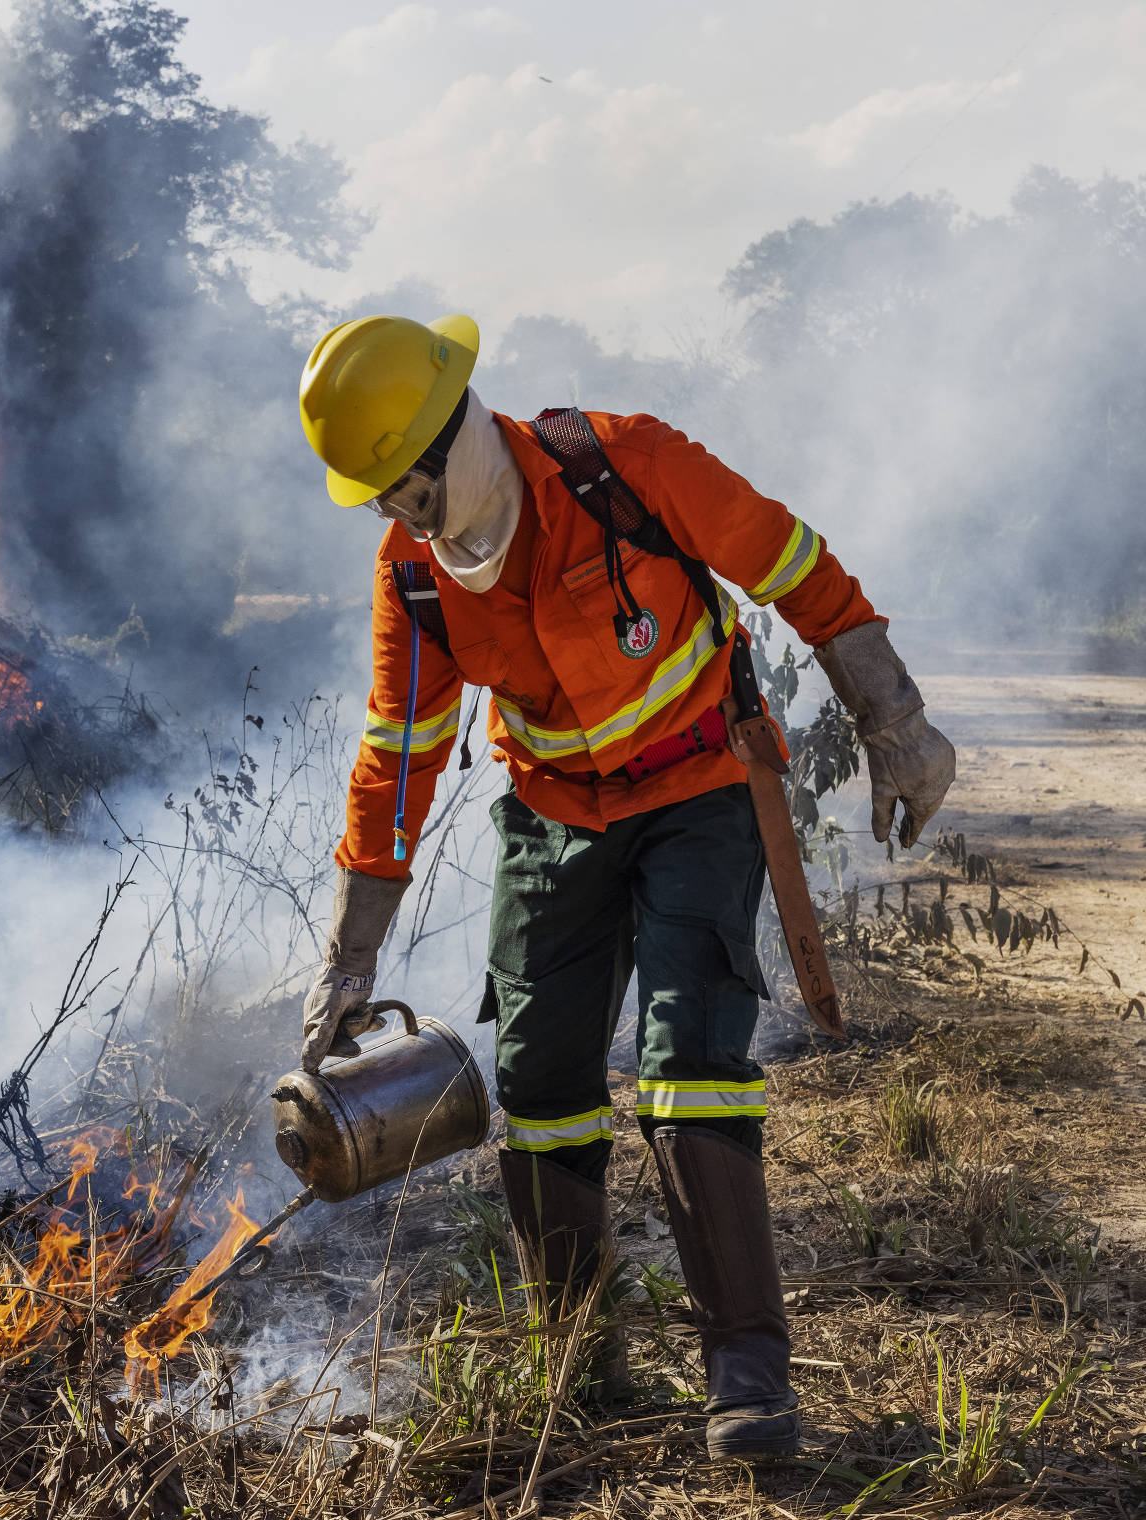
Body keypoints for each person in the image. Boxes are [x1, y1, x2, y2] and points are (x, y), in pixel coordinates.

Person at [295, 314, 955, 1460]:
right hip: (554, 813)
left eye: (407, 487)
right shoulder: (413, 577)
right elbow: (397, 752)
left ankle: (747, 1371)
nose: (401, 516)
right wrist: (350, 958)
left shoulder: (622, 463)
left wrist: (893, 717)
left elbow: (788, 560)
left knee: (688, 1053)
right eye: (380, 501)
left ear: (458, 433)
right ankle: (576, 1357)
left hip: (702, 783)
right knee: (539, 1072)